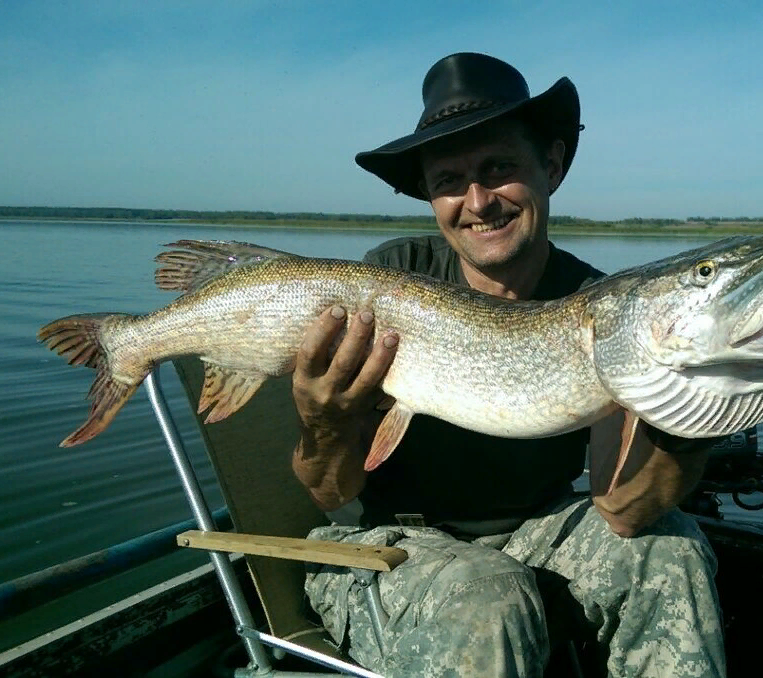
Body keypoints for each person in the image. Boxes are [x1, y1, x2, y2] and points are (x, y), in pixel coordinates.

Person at [290, 52, 726, 678]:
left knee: (670, 550)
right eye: (448, 179)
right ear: (431, 197)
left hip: (539, 532)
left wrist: (692, 403)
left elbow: (624, 510)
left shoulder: (602, 306)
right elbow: (330, 491)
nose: (477, 200)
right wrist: (323, 420)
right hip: (392, 547)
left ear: (550, 164)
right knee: (489, 594)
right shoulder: (386, 285)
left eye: (499, 168)